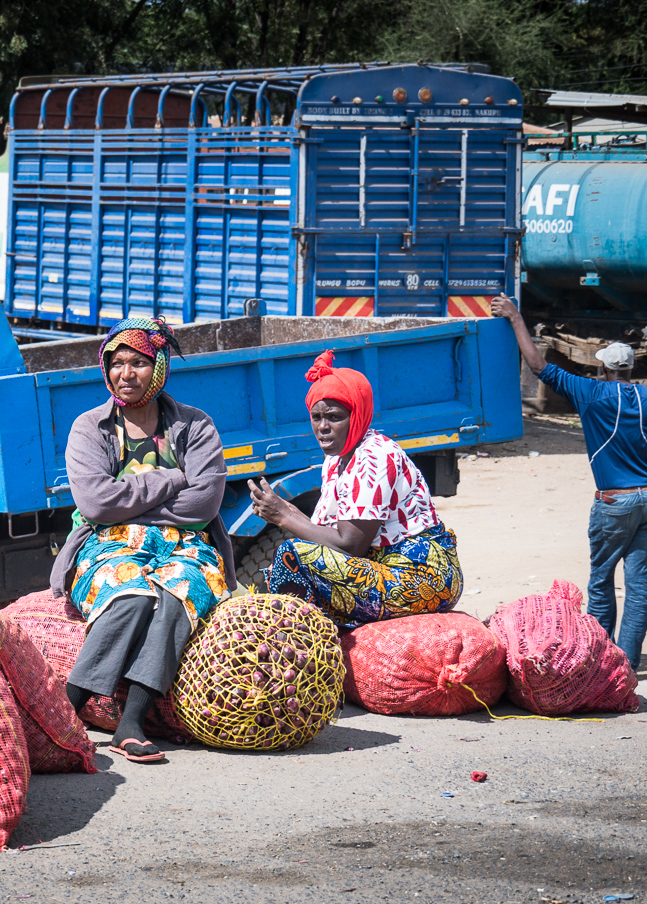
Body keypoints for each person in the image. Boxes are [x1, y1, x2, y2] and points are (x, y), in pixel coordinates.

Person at [490, 295, 647, 668]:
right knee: (640, 592)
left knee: (601, 582)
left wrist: (515, 317)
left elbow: (537, 364)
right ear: (630, 369)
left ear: (604, 369)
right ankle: (627, 665)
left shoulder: (591, 393)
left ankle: (600, 662)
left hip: (614, 503)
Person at [50, 317, 235, 763]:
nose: (125, 374)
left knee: (180, 595)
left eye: (138, 363)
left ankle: (130, 722)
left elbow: (203, 506)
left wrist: (128, 500)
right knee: (130, 594)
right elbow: (95, 505)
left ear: (160, 367)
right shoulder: (90, 428)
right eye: (116, 364)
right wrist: (172, 478)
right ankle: (65, 708)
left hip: (187, 544)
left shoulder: (195, 426)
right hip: (106, 541)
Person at [247, 350, 463, 626]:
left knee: (293, 556)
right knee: (297, 558)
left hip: (423, 576)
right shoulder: (336, 460)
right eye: (316, 417)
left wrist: (284, 516)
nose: (323, 427)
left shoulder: (374, 457)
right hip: (384, 567)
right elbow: (327, 534)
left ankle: (303, 639)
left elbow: (350, 545)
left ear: (357, 415)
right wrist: (286, 510)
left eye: (334, 417)